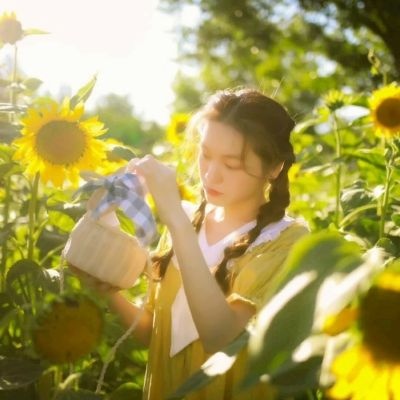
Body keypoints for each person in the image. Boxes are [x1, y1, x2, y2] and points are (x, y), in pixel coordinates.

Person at [73, 88, 309, 399]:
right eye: (206, 154)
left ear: (275, 168)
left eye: (232, 164)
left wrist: (177, 222)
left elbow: (221, 338)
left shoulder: (285, 242)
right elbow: (156, 333)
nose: (211, 174)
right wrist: (110, 293)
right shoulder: (186, 221)